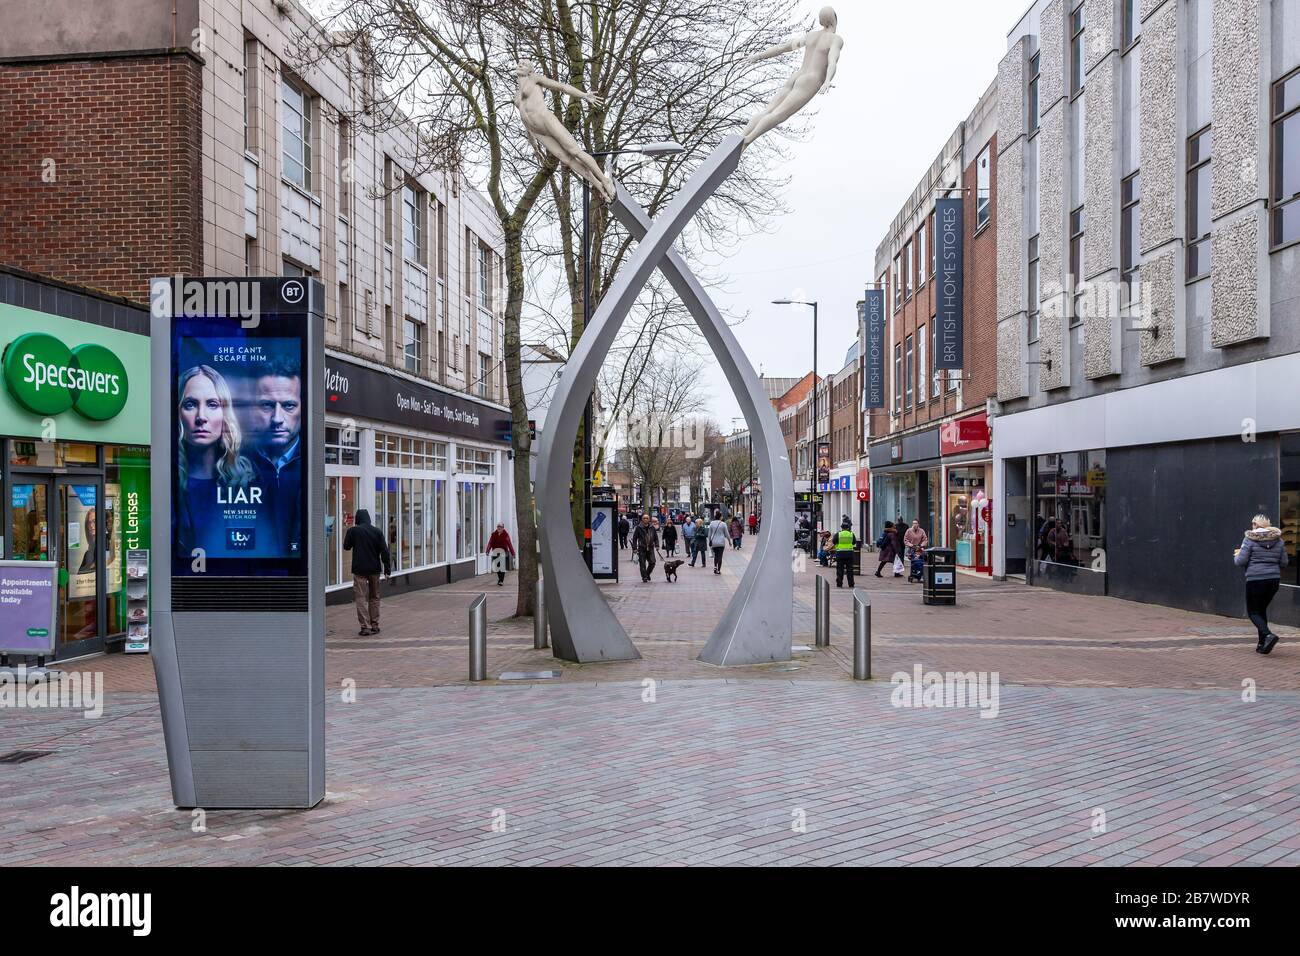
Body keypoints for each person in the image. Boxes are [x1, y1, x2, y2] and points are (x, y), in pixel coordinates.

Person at [175, 365, 258, 558]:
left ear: (225, 413)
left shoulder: (251, 481)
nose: (201, 417)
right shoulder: (168, 482)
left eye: (212, 404)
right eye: (190, 404)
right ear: (177, 412)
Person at [249, 357, 303, 558]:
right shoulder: (233, 465)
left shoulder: (311, 466)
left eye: (289, 406)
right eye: (266, 405)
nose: (277, 419)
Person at [1234, 514, 1290, 655]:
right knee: (1261, 610)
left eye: (1253, 523)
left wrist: (1237, 554)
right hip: (1273, 580)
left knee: (1253, 612)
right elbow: (1284, 563)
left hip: (1255, 580)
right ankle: (1262, 644)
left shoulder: (1249, 539)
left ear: (1255, 525)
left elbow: (1240, 561)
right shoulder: (1279, 541)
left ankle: (1268, 635)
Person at [343, 508, 391, 636]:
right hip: (374, 569)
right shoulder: (377, 532)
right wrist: (387, 569)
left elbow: (346, 546)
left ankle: (365, 627)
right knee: (374, 597)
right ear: (369, 518)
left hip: (359, 570)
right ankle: (375, 625)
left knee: (360, 597)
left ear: (357, 519)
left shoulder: (353, 531)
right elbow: (385, 551)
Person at [631, 513, 659, 583]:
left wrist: (657, 545)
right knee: (642, 564)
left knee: (652, 562)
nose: (645, 519)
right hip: (641, 548)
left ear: (649, 519)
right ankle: (644, 577)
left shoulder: (652, 527)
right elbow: (634, 538)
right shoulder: (638, 527)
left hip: (650, 548)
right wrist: (634, 548)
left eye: (647, 518)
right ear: (642, 519)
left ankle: (647, 574)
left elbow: (655, 537)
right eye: (644, 518)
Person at [486, 522, 516, 586]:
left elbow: (509, 544)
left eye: (500, 527)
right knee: (496, 566)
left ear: (503, 528)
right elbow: (490, 542)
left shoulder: (506, 535)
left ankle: (501, 581)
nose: (499, 528)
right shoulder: (494, 534)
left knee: (502, 566)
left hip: (503, 552)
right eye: (498, 527)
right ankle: (500, 579)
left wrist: (513, 553)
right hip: (495, 552)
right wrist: (487, 550)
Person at [832, 516, 858, 588]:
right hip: (849, 554)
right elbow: (854, 542)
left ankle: (839, 584)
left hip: (840, 554)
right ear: (848, 527)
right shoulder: (851, 534)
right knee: (850, 570)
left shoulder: (838, 534)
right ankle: (851, 584)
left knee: (840, 570)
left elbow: (834, 542)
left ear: (841, 527)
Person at [707, 510, 729, 574]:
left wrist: (710, 541)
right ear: (720, 517)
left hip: (714, 542)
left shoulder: (711, 523)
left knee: (715, 556)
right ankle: (719, 570)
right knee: (720, 556)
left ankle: (715, 567)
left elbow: (709, 534)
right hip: (721, 543)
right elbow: (727, 534)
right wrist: (729, 541)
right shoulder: (723, 524)